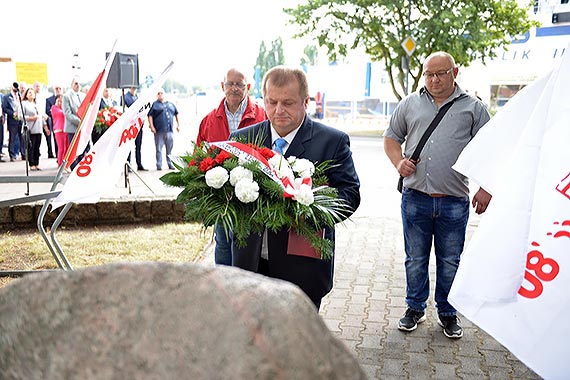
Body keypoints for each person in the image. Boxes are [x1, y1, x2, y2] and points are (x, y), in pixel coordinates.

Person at [229, 66, 361, 310]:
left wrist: (309, 207)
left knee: (296, 343)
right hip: (250, 265)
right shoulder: (241, 139)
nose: (279, 111)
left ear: (305, 102)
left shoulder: (332, 142)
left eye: (288, 103)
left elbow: (350, 195)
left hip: (302, 270)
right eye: (272, 102)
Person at [383, 51, 492, 339]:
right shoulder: (410, 104)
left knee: (449, 260)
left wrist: (486, 187)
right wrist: (398, 162)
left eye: (441, 73)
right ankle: (414, 308)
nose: (434, 79)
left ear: (455, 72)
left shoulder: (474, 108)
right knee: (415, 258)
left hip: (454, 200)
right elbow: (391, 138)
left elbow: (493, 149)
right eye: (429, 74)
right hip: (415, 197)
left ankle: (447, 312)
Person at [197, 67, 267, 266]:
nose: (234, 88)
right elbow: (199, 156)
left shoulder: (263, 115)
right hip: (222, 194)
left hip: (253, 192)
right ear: (222, 86)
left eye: (240, 84)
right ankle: (224, 285)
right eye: (230, 83)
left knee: (249, 243)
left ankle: (246, 284)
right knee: (223, 242)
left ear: (248, 87)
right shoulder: (208, 121)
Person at [147, 88, 179, 171]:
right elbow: (150, 116)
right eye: (158, 93)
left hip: (169, 131)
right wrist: (152, 126)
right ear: (156, 95)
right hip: (159, 131)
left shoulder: (170, 104)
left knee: (169, 149)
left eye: (161, 93)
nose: (160, 94)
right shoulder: (155, 105)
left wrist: (178, 125)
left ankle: (170, 164)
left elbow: (176, 113)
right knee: (159, 149)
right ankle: (159, 165)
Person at [21, 88, 47, 170]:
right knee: (31, 147)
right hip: (30, 129)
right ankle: (31, 164)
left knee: (37, 147)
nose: (31, 94)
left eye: (32, 93)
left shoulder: (37, 104)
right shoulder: (24, 104)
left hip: (38, 129)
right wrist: (30, 118)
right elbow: (20, 116)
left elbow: (41, 115)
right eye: (29, 93)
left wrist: (45, 125)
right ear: (26, 95)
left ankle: (37, 163)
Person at [62, 77, 84, 170]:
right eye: (75, 83)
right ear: (71, 85)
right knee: (73, 150)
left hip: (83, 128)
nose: (77, 85)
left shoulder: (83, 95)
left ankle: (81, 167)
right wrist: (80, 122)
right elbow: (67, 113)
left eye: (79, 83)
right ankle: (74, 168)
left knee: (82, 149)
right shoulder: (67, 96)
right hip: (73, 128)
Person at [123, 87, 146, 171]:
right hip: (130, 125)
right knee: (128, 146)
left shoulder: (137, 96)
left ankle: (139, 164)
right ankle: (128, 164)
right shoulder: (126, 97)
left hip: (138, 125)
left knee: (138, 146)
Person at [2, 84, 23, 162]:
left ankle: (23, 153)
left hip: (21, 119)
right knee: (12, 138)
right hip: (12, 120)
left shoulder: (21, 96)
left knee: (22, 137)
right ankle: (12, 154)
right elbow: (4, 108)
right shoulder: (6, 97)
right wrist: (12, 113)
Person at [33, 81, 53, 158]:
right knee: (38, 137)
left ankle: (50, 153)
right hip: (37, 119)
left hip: (45, 117)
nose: (38, 88)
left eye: (39, 86)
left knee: (48, 135)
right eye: (36, 86)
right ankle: (37, 153)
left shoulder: (44, 96)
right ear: (34, 87)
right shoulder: (33, 96)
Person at [45, 84, 64, 160]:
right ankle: (58, 158)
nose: (58, 90)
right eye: (56, 88)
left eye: (60, 88)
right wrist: (56, 113)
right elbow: (47, 111)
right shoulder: (49, 99)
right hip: (55, 123)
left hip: (65, 124)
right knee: (58, 143)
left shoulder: (65, 98)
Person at [51, 94, 68, 167]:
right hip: (58, 130)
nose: (60, 102)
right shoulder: (54, 108)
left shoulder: (63, 108)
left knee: (66, 147)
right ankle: (60, 164)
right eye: (58, 101)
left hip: (65, 129)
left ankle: (65, 164)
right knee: (61, 148)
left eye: (61, 101)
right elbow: (62, 113)